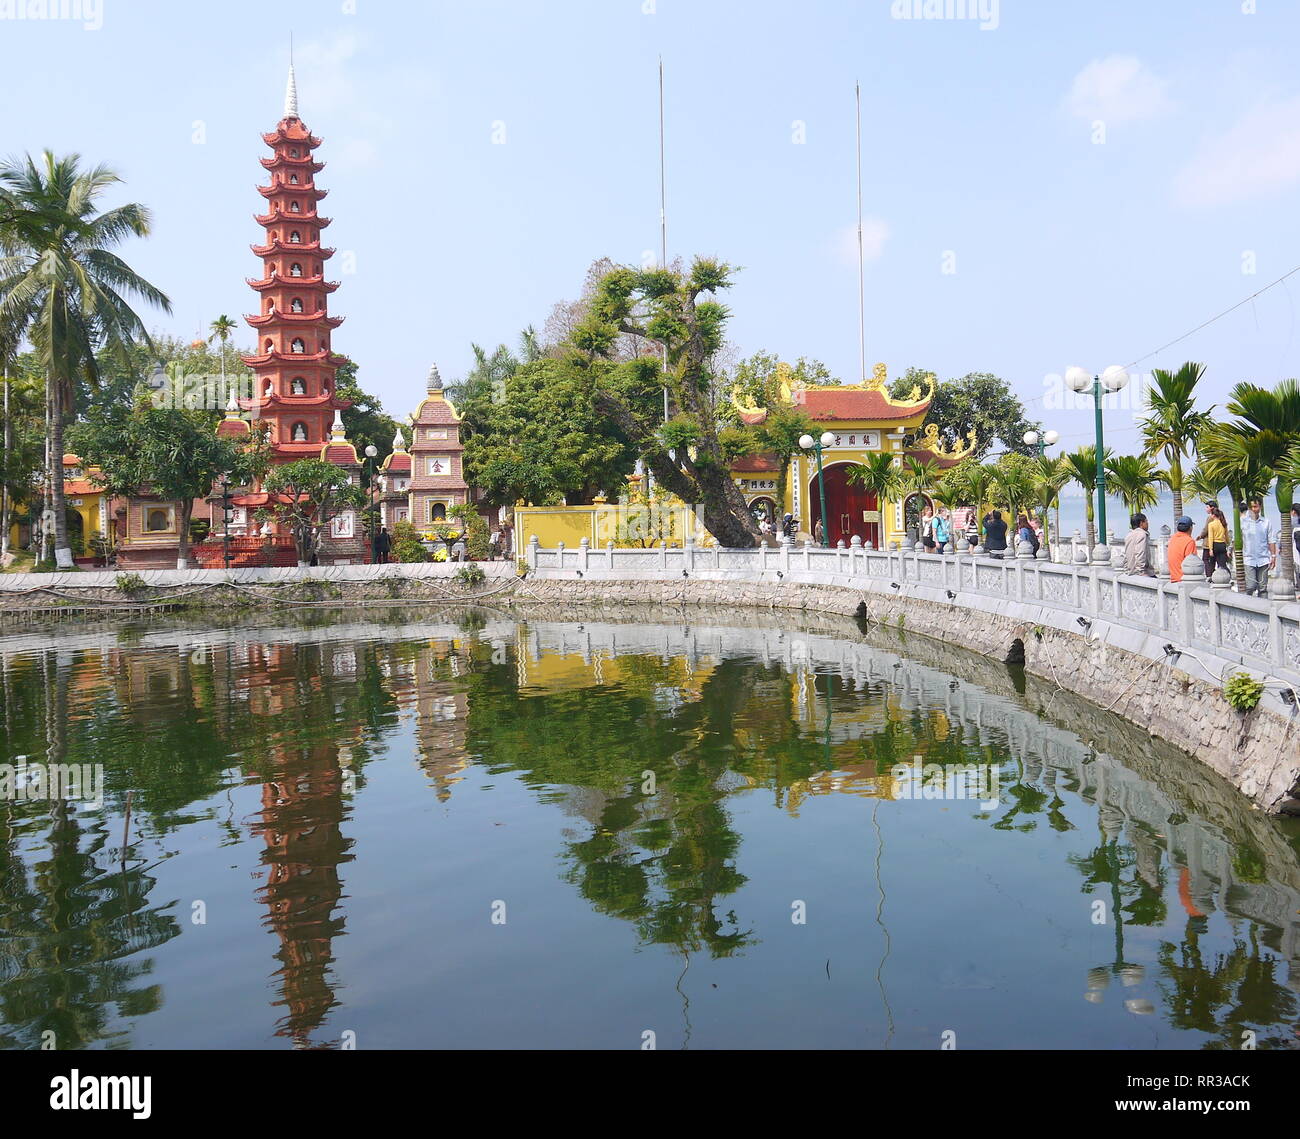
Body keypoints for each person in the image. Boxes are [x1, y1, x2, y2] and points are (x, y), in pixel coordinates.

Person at [1240, 497, 1276, 596]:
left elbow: (1271, 540)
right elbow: (1237, 539)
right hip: (1249, 559)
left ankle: (1264, 609)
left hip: (1263, 559)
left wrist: (1273, 556)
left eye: (1255, 507)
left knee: (1263, 588)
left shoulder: (1266, 522)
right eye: (1251, 507)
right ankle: (1248, 606)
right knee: (1250, 586)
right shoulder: (1243, 522)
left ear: (1260, 507)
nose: (1253, 509)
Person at [1199, 502, 1229, 579]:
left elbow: (1210, 537)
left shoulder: (1211, 523)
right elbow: (1227, 536)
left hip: (1214, 544)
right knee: (1222, 563)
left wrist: (1211, 549)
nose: (1206, 509)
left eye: (1207, 507)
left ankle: (1210, 576)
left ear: (1213, 514)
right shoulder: (1223, 523)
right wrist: (1228, 547)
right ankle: (1227, 577)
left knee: (1210, 562)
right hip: (1222, 544)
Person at [1167, 515, 1197, 583]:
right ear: (1190, 528)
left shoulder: (1173, 538)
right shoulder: (1189, 541)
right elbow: (1191, 564)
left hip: (1173, 578)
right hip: (1184, 579)